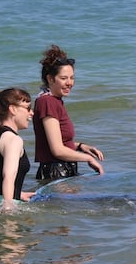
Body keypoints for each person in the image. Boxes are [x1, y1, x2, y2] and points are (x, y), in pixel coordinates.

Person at [33, 45, 104, 181]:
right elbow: (57, 150)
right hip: (56, 171)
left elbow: (57, 141)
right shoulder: (47, 102)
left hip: (61, 169)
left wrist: (81, 147)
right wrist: (88, 159)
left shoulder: (53, 101)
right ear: (50, 79)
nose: (70, 83)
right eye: (64, 78)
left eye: (72, 78)